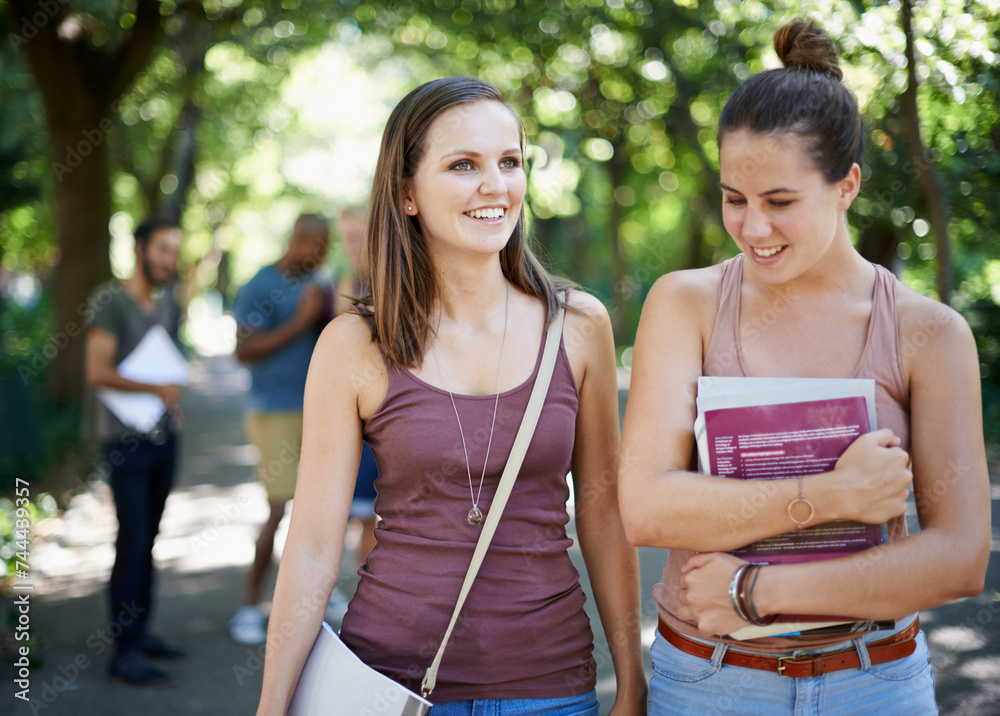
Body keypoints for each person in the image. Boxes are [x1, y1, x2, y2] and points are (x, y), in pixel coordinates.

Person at [619, 19, 990, 715]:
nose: (753, 228)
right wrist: (833, 496)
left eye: (781, 202)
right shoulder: (687, 304)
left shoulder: (929, 333)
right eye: (736, 199)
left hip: (874, 682)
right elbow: (645, 507)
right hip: (710, 682)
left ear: (847, 186)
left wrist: (754, 591)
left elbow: (960, 556)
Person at [256, 77, 647, 715]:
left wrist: (631, 678)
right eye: (463, 165)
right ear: (407, 193)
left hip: (548, 689)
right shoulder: (353, 344)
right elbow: (313, 543)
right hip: (389, 684)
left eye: (510, 162)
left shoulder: (579, 327)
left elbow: (604, 515)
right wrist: (272, 706)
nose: (495, 185)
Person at [85, 218, 188, 687]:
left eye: (175, 251)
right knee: (132, 541)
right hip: (124, 443)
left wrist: (171, 403)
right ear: (141, 248)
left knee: (150, 540)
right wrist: (158, 388)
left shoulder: (165, 304)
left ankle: (141, 632)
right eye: (163, 249)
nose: (170, 259)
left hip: (163, 438)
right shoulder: (110, 302)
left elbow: (165, 373)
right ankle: (123, 652)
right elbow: (97, 371)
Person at [228, 214, 331, 645]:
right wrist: (298, 321)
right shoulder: (258, 286)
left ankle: (314, 599)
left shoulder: (317, 284)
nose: (323, 253)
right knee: (277, 508)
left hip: (316, 410)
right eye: (320, 244)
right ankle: (249, 606)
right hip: (273, 410)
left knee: (320, 511)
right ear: (300, 240)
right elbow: (244, 350)